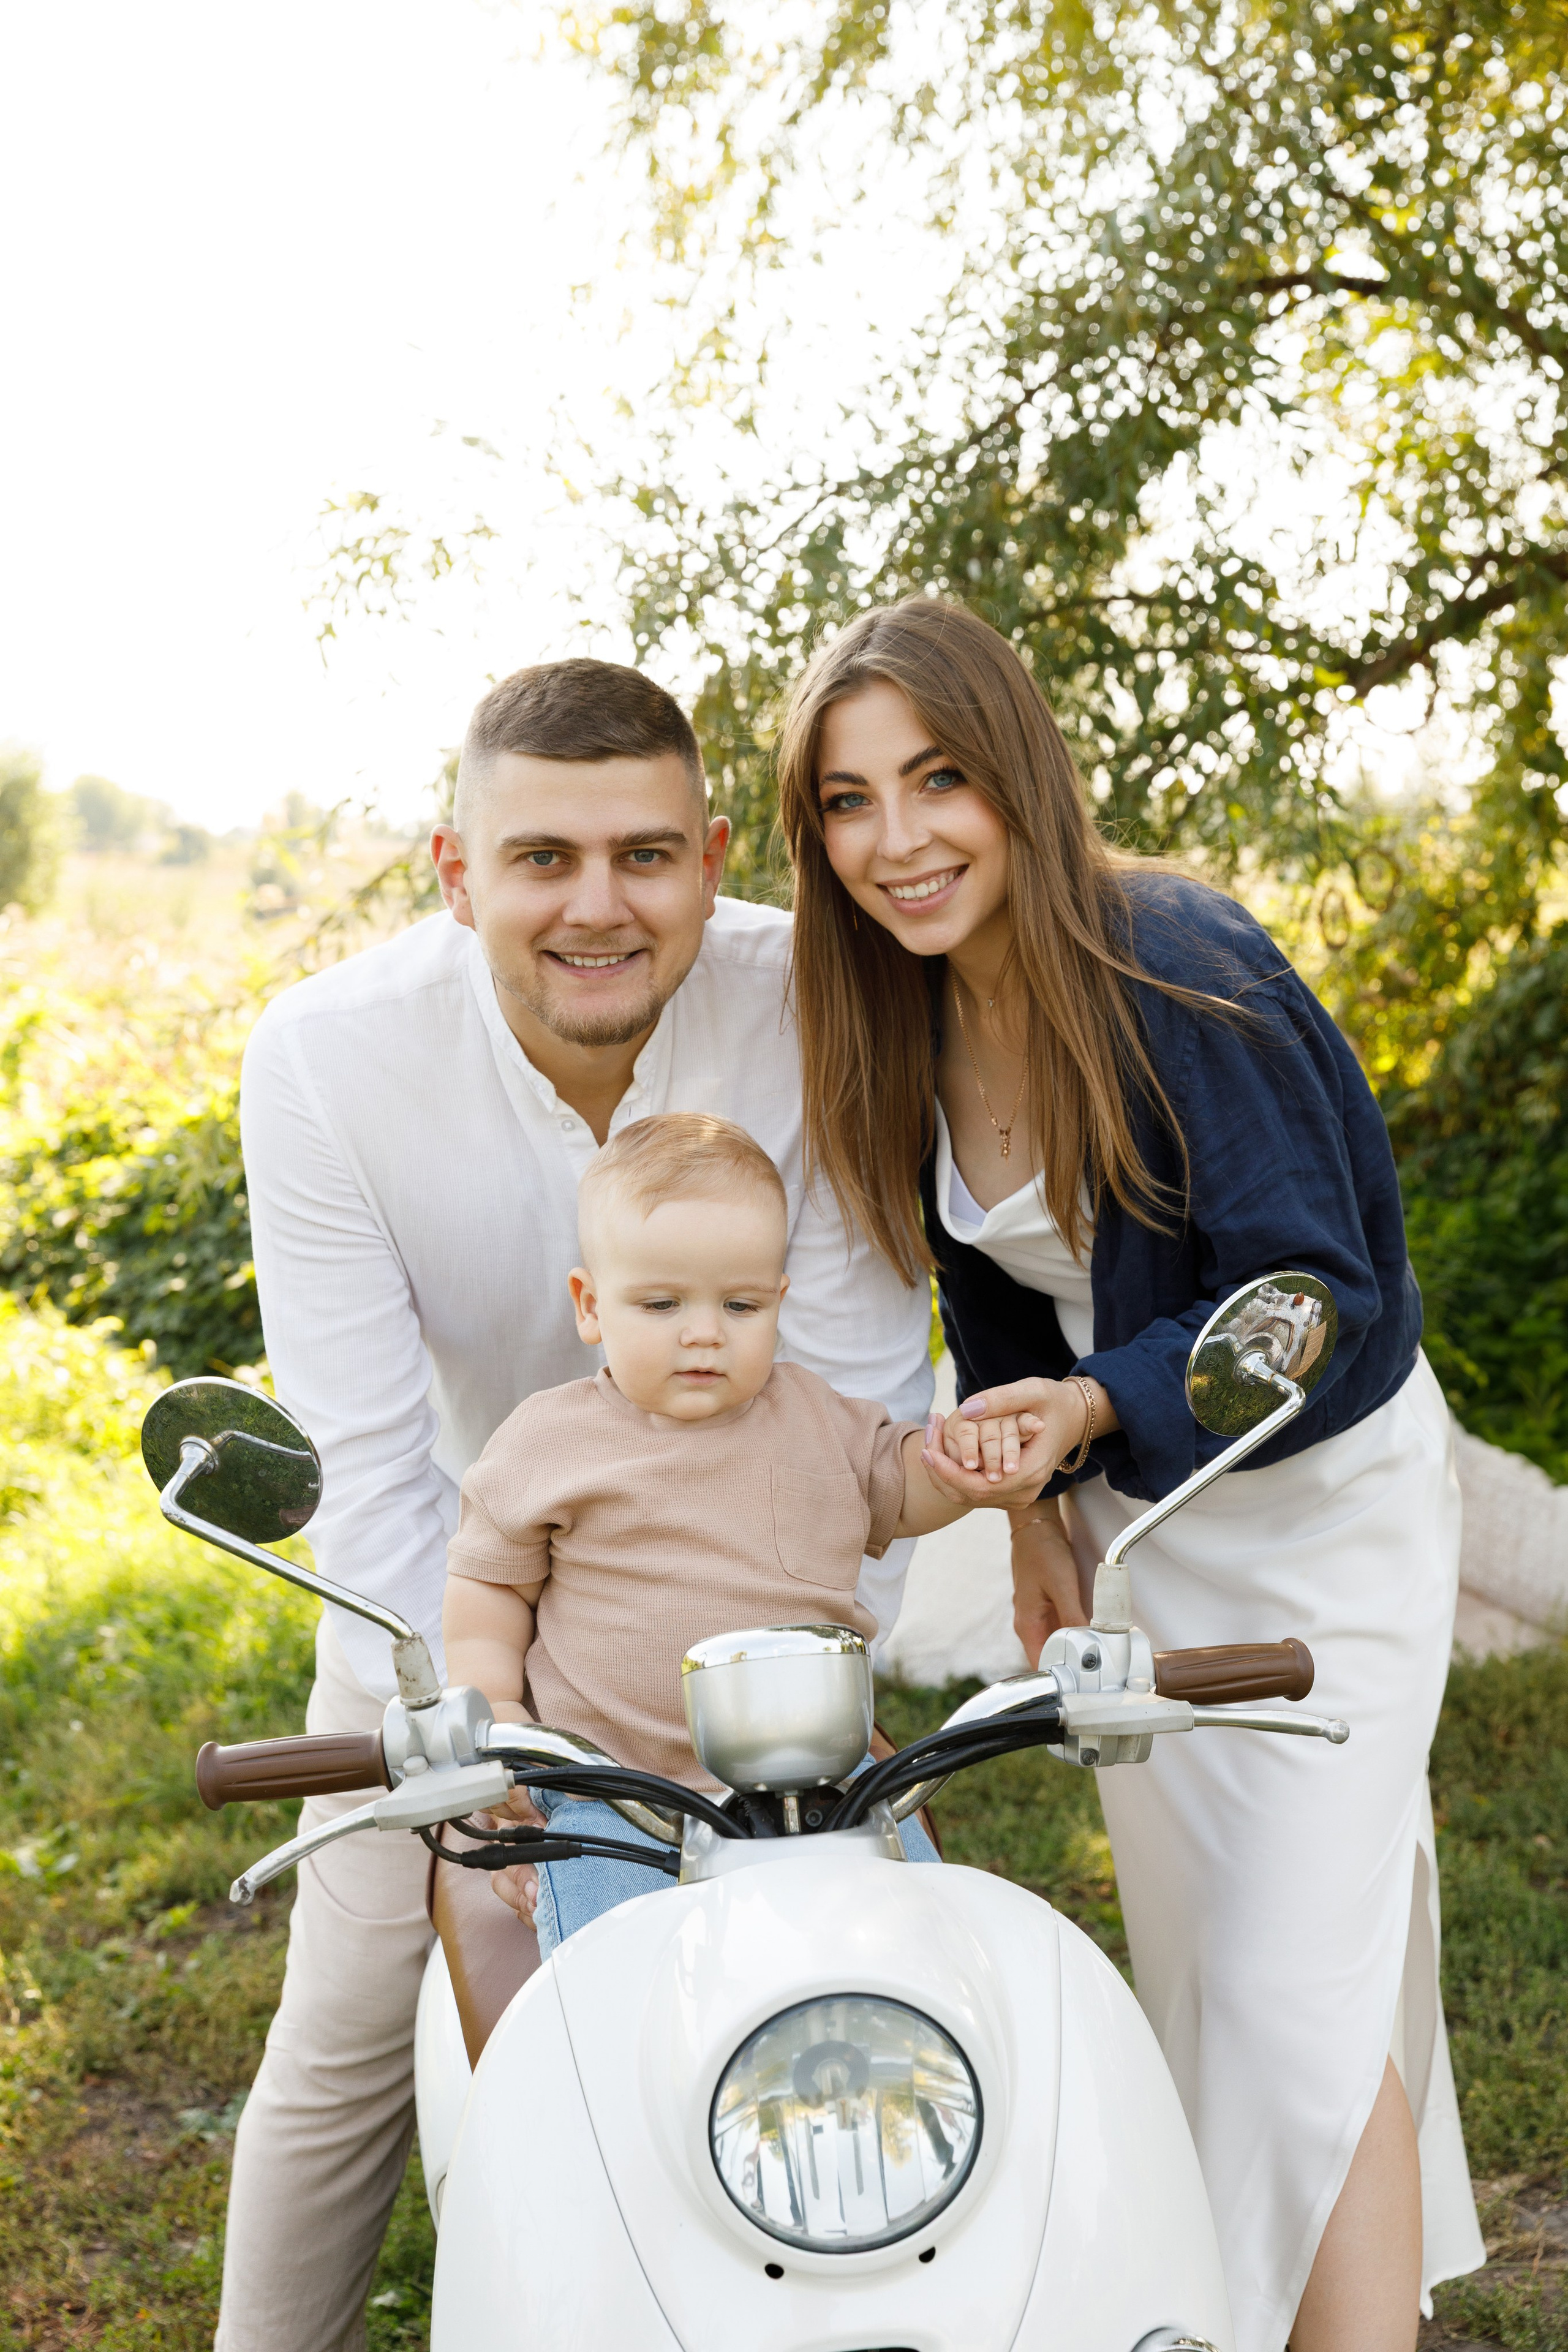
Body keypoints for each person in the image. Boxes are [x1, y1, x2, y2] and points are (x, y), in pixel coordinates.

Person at [771, 594, 1485, 2352]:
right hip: (1143, 1534)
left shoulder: (1175, 957)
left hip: (1322, 1518)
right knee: (1220, 1984)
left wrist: (1092, 1414)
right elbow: (997, 1283)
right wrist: (1039, 1514)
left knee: (1287, 1993)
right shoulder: (908, 1013)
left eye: (936, 779)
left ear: (1015, 767)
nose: (898, 840)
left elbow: (1309, 1293)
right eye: (848, 803)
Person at [227, 659, 935, 2352]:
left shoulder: (806, 995)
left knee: (878, 1985)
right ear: (457, 870)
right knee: (345, 2026)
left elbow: (854, 1385)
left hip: (759, 1611)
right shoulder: (325, 1058)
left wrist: (779, 1697)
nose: (598, 906)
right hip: (459, 1593)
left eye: (644, 855)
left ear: (707, 853)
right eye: (542, 858)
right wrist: (491, 1724)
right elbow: (374, 1468)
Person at [442, 1111, 1038, 1942]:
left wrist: (958, 1474)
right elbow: (488, 1592)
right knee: (617, 1969)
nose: (703, 1332)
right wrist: (497, 1720)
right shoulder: (548, 1443)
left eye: (741, 1303)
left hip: (823, 1777)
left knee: (921, 1941)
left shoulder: (818, 1419)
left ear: (778, 1303)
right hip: (617, 1791)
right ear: (590, 1306)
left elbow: (900, 1491)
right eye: (659, 1302)